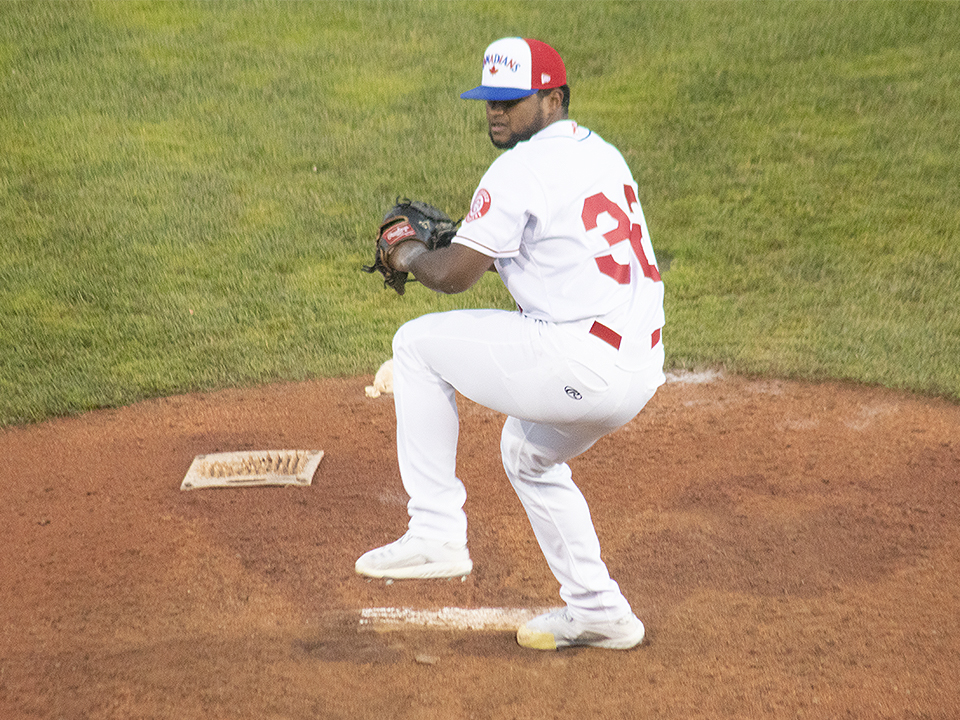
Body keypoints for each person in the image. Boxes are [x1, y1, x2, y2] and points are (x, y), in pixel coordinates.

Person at [355, 37, 666, 651]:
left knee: (415, 346)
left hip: (577, 360)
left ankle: (436, 533)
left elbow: (452, 276)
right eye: (490, 100)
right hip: (637, 369)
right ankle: (599, 611)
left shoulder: (518, 170)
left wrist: (408, 250)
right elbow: (557, 254)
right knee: (527, 453)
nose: (496, 111)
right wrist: (473, 243)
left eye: (511, 100)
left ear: (552, 98)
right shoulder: (601, 153)